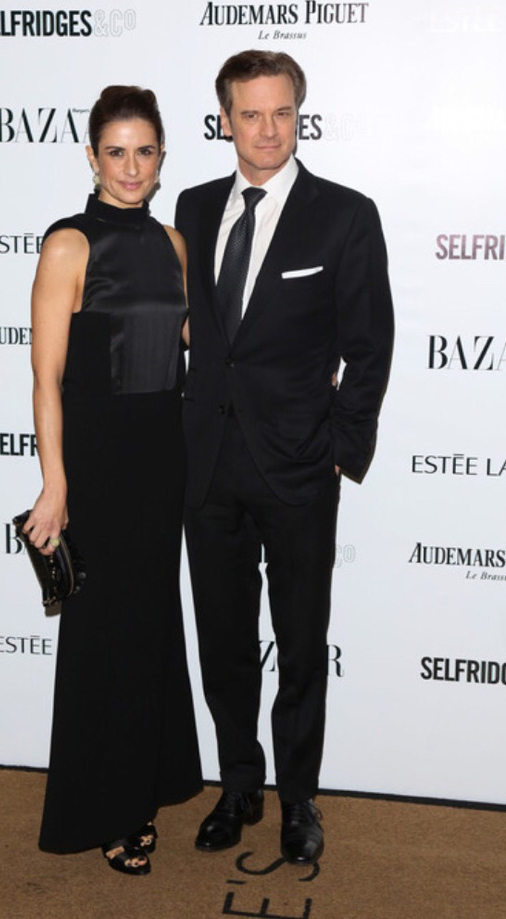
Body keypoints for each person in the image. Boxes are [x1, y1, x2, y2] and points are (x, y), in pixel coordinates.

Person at [175, 50, 393, 865]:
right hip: (208, 465)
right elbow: (196, 330)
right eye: (250, 114)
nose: (267, 130)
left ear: (298, 115)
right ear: (224, 120)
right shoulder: (194, 207)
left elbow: (369, 345)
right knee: (223, 640)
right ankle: (237, 784)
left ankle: (298, 796)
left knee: (301, 644)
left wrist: (340, 447)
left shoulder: (344, 215)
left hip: (299, 465)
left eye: (281, 113)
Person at [24, 85, 202, 876]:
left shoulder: (173, 243)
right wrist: (54, 483)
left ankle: (145, 786)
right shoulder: (69, 244)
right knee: (103, 637)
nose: (131, 167)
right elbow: (46, 378)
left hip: (162, 455)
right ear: (92, 157)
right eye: (116, 152)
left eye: (145, 151)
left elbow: (194, 341)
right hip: (98, 463)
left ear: (162, 156)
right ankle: (107, 806)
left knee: (150, 627)